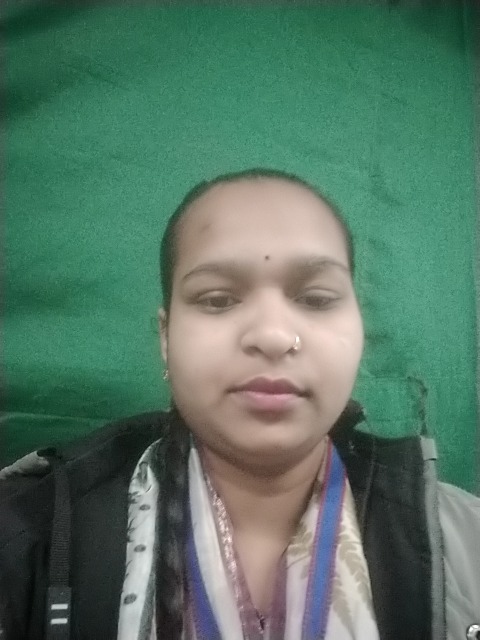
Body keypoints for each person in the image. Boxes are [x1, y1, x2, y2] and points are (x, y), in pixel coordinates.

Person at [0, 168, 479, 640]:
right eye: (217, 299)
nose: (273, 335)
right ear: (166, 337)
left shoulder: (465, 543)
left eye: (316, 299)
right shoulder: (26, 537)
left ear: (358, 331)